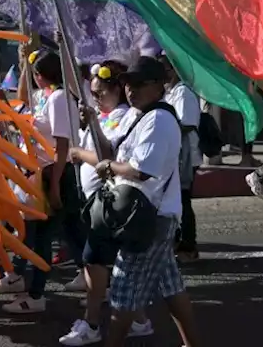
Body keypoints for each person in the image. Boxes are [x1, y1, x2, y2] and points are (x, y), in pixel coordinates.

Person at [92, 56, 199, 347]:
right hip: (148, 215)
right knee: (171, 286)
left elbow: (141, 170)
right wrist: (91, 121)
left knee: (123, 291)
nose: (130, 90)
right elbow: (109, 149)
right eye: (127, 84)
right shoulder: (137, 115)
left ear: (157, 86)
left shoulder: (160, 119)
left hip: (151, 217)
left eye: (138, 84)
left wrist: (109, 167)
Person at [59, 61, 154, 346]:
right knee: (114, 268)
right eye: (93, 93)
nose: (96, 98)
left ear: (117, 90)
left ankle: (92, 324)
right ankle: (139, 320)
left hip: (111, 204)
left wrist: (80, 151)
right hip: (98, 204)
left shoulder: (123, 116)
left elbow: (107, 154)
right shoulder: (104, 112)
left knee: (95, 262)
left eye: (101, 93)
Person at [3, 50, 84, 314]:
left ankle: (36, 294)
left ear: (44, 76)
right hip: (46, 172)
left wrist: (55, 184)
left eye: (35, 74)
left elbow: (62, 145)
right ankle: (93, 279)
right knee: (73, 231)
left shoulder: (60, 98)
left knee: (44, 236)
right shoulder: (45, 97)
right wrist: (24, 63)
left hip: (55, 173)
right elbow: (24, 100)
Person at [159, 54, 202, 263]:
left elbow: (187, 123)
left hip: (186, 157)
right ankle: (176, 241)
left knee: (184, 201)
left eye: (167, 68)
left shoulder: (183, 92)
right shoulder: (170, 92)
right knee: (176, 201)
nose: (165, 73)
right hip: (174, 155)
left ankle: (188, 246)